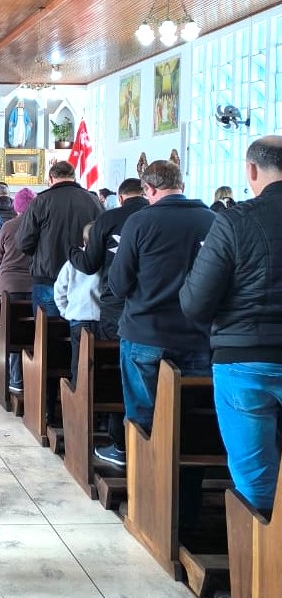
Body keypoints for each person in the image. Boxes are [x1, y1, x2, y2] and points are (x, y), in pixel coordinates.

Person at [180, 138, 282, 598]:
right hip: (250, 354)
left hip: (247, 363)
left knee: (256, 481)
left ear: (252, 171)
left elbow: (196, 301)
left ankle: (259, 597)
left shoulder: (236, 221)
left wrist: (225, 329)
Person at [102, 159, 215, 469]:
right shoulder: (212, 220)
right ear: (182, 185)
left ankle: (144, 490)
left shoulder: (140, 222)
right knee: (189, 419)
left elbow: (119, 283)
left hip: (145, 332)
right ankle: (185, 500)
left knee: (143, 417)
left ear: (148, 188)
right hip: (196, 335)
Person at [67, 177, 148, 465]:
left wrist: (72, 252)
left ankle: (120, 440)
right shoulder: (175, 220)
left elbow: (90, 264)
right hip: (164, 313)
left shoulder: (112, 219)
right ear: (146, 192)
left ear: (122, 196)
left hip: (117, 308)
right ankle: (128, 438)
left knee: (118, 368)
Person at [16, 159, 101, 317]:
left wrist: (41, 254)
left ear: (50, 179)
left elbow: (23, 242)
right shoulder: (93, 201)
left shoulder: (41, 201)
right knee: (80, 330)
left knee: (47, 333)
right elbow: (102, 238)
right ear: (74, 177)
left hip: (49, 275)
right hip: (83, 276)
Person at [0, 187, 35, 392]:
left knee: (12, 329)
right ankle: (34, 377)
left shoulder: (8, 226)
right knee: (35, 329)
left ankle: (16, 379)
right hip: (34, 282)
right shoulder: (40, 226)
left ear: (16, 206)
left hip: (10, 284)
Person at [54, 222, 102, 385]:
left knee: (79, 363)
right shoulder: (108, 260)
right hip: (101, 319)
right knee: (100, 364)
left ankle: (78, 393)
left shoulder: (72, 262)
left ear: (84, 241)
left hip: (78, 318)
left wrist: (66, 311)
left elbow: (59, 290)